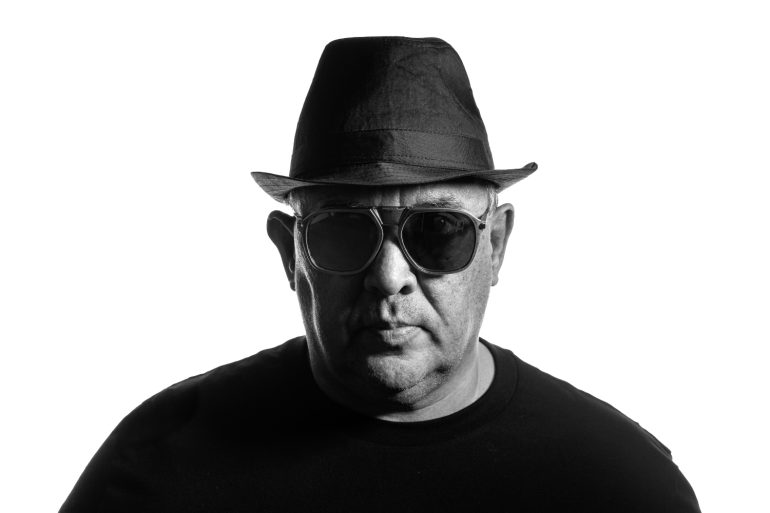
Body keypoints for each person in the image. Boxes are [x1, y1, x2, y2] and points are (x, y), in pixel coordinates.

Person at [60, 36, 700, 512]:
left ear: (497, 245)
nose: (389, 277)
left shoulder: (620, 485)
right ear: (289, 253)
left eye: (438, 230)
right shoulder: (158, 468)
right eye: (343, 230)